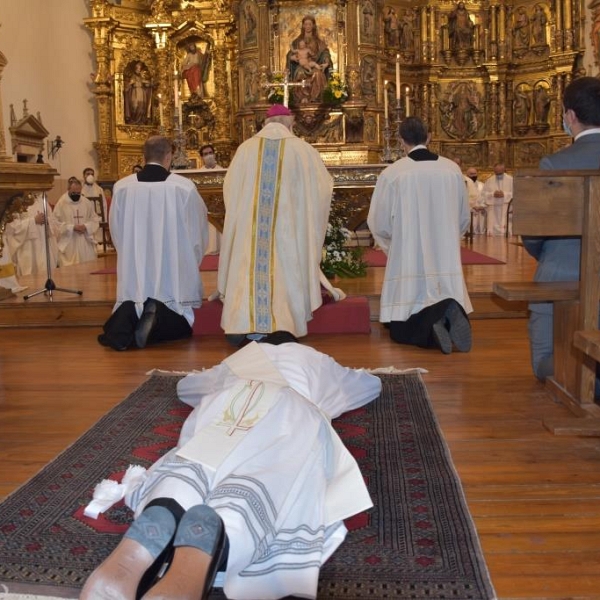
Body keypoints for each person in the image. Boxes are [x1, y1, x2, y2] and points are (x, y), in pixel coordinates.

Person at [80, 339, 382, 600]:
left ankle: (167, 506)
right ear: (296, 344)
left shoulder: (240, 358)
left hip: (231, 399)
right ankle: (218, 539)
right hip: (291, 404)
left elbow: (186, 387)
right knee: (269, 474)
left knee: (198, 460)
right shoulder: (314, 358)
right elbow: (368, 385)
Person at [217, 103, 344, 345]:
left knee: (249, 266)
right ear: (289, 123)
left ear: (265, 123)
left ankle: (245, 323)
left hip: (251, 230)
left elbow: (230, 191)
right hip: (289, 230)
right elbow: (322, 188)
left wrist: (245, 213)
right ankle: (282, 325)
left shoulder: (245, 149)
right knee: (285, 270)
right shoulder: (302, 149)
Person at [367, 117, 472, 354]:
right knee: (442, 287)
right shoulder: (451, 169)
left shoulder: (394, 172)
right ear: (429, 137)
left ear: (401, 140)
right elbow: (463, 215)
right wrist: (450, 236)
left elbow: (379, 220)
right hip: (444, 249)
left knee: (401, 325)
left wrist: (391, 245)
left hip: (408, 249)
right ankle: (446, 311)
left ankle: (431, 326)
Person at [98, 135, 208, 351]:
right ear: (169, 156)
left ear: (144, 156)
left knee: (133, 299)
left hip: (135, 263)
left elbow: (116, 229)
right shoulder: (183, 187)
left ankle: (129, 317)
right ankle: (158, 312)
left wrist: (129, 253)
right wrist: (190, 261)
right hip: (172, 266)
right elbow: (197, 232)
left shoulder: (122, 187)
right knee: (181, 320)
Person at [522, 76, 600, 382]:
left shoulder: (555, 165)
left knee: (546, 362)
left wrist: (551, 257)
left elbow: (533, 234)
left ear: (570, 116)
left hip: (562, 275)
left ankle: (585, 382)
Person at [4, 192, 59, 276]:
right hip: (27, 247)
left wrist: (48, 221)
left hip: (44, 244)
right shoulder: (17, 201)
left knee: (46, 273)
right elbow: (12, 227)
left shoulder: (42, 200)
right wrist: (33, 221)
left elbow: (54, 221)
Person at [53, 178, 100, 266]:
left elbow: (95, 219)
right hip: (69, 240)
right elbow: (54, 223)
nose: (76, 195)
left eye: (78, 193)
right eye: (73, 193)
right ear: (68, 190)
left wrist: (86, 226)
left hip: (84, 238)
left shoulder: (86, 202)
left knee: (88, 264)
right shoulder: (61, 203)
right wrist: (72, 227)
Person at [287, 15, 331, 104]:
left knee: (317, 74)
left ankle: (315, 98)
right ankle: (302, 98)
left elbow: (325, 52)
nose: (307, 26)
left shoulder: (318, 41)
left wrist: (326, 62)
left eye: (310, 24)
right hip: (301, 65)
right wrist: (293, 58)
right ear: (303, 26)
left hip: (313, 64)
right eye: (306, 24)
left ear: (313, 26)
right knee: (300, 73)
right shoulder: (297, 41)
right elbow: (290, 54)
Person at [197, 144, 224, 255]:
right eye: (205, 154)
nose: (208, 156)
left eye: (210, 153)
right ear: (201, 157)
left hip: (220, 206)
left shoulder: (222, 171)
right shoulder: (198, 173)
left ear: (214, 154)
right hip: (205, 206)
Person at [482, 163, 513, 236]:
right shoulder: (489, 180)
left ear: (504, 170)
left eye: (500, 173)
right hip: (493, 207)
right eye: (496, 173)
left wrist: (504, 194)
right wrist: (492, 194)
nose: (498, 175)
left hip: (506, 206)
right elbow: (483, 194)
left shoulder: (511, 180)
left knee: (505, 224)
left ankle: (506, 233)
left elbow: (516, 193)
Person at [81, 167, 109, 248]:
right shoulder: (81, 190)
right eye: (88, 174)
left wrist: (105, 219)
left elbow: (104, 205)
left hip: (98, 218)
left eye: (92, 174)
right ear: (84, 176)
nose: (90, 176)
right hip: (86, 219)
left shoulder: (99, 189)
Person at [124, 60, 152, 125]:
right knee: (134, 106)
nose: (139, 70)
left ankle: (141, 120)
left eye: (140, 68)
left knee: (142, 107)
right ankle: (134, 119)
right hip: (135, 92)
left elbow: (147, 84)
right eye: (138, 68)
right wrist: (131, 83)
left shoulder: (142, 76)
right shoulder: (132, 76)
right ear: (135, 69)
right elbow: (128, 86)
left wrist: (147, 83)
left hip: (142, 93)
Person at [466, 166, 486, 234]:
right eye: (471, 174)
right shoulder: (464, 185)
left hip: (480, 212)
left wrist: (481, 206)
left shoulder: (482, 185)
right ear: (467, 175)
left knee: (480, 233)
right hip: (470, 211)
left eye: (475, 174)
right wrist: (472, 206)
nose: (473, 175)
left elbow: (485, 197)